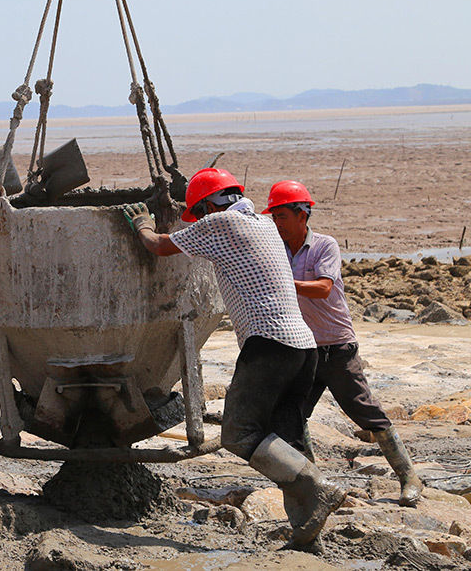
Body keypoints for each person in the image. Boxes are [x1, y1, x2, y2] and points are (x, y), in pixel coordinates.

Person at [123, 168, 344, 548]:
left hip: (268, 344)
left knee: (238, 434)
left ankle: (318, 487)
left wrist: (141, 223)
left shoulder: (220, 223)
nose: (201, 220)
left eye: (200, 213)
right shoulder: (261, 223)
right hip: (303, 348)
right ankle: (307, 534)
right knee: (287, 441)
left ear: (208, 205)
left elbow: (160, 245)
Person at [264, 180, 424, 507]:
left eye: (281, 216)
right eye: (274, 217)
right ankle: (315, 484)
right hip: (302, 350)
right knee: (292, 418)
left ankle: (408, 476)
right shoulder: (276, 249)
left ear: (302, 215)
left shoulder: (325, 246)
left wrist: (281, 280)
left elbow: (322, 288)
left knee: (366, 413)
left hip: (337, 349)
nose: (277, 223)